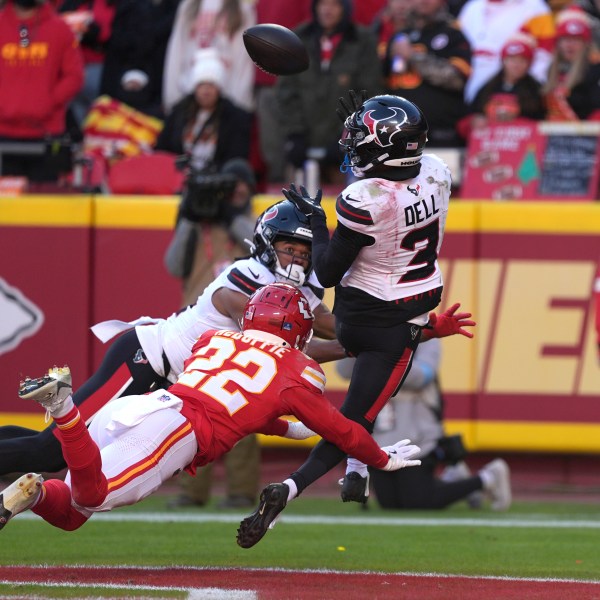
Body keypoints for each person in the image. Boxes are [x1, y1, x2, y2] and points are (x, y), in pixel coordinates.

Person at [236, 91, 478, 549]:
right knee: (355, 419)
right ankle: (306, 482)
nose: (354, 151)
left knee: (356, 413)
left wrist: (317, 222)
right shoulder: (437, 172)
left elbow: (325, 272)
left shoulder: (364, 199)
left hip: (356, 313)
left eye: (362, 143)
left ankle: (354, 468)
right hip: (405, 312)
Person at [0, 284, 422, 532]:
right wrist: (381, 458)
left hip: (139, 408)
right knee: (93, 495)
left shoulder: (215, 341)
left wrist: (287, 430)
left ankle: (29, 491)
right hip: (173, 433)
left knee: (72, 512)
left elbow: (235, 404)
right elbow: (343, 431)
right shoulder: (297, 372)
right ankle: (63, 407)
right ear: (298, 329)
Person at [0, 199, 343, 478]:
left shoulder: (294, 291)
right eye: (290, 248)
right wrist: (352, 345)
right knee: (55, 452)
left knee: (65, 450)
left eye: (305, 252)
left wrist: (371, 328)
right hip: (144, 360)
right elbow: (284, 344)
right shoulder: (247, 275)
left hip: (166, 383)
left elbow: (332, 325)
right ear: (268, 244)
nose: (298, 258)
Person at [338, 338, 511, 511]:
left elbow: (422, 376)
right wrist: (360, 342)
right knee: (390, 504)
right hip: (381, 433)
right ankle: (452, 478)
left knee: (417, 502)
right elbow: (343, 370)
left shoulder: (425, 336)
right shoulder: (368, 332)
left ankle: (488, 477)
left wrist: (378, 358)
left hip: (416, 430)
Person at [276, 0, 384, 185]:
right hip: (302, 145)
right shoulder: (298, 37)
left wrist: (346, 135)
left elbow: (369, 93)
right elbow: (286, 91)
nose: (327, 9)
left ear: (345, 8)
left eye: (334, 4)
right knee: (298, 205)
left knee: (344, 205)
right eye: (323, 3)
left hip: (345, 149)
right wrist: (295, 134)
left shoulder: (362, 40)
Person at [0, 0, 84, 183]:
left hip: (46, 134)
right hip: (3, 134)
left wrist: (48, 101)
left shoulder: (60, 29)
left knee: (44, 207)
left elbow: (74, 77)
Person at [383, 0, 472, 147]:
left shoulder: (453, 34)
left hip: (441, 135)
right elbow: (382, 81)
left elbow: (457, 79)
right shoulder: (400, 35)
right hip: (398, 136)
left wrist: (413, 57)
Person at [155, 47, 252, 173]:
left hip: (217, 178)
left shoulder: (235, 117)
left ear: (219, 88)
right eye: (201, 84)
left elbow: (237, 155)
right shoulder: (178, 112)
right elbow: (163, 148)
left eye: (211, 84)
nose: (206, 91)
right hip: (179, 178)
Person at [162, 0, 256, 114]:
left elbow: (243, 62)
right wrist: (172, 97)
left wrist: (240, 104)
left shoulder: (243, 9)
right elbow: (176, 52)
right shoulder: (189, 5)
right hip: (188, 94)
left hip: (226, 99)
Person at [458, 0, 555, 103]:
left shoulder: (535, 8)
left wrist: (530, 94)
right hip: (469, 90)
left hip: (513, 95)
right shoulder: (472, 7)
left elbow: (543, 58)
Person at [460, 33, 545, 137]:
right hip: (490, 144)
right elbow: (467, 120)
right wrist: (474, 121)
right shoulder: (488, 88)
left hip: (524, 145)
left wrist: (516, 122)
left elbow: (544, 123)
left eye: (522, 60)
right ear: (503, 61)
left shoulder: (536, 89)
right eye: (512, 59)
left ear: (529, 63)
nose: (516, 65)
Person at [542, 8, 600, 121]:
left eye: (576, 39)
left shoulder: (595, 71)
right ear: (558, 43)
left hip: (585, 135)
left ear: (586, 44)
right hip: (553, 134)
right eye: (565, 39)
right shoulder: (551, 71)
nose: (570, 45)